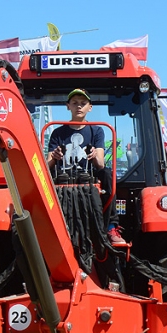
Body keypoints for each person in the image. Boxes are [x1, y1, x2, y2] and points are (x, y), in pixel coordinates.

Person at [46, 88, 125, 246]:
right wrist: (54, 156)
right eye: (75, 103)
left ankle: (110, 227)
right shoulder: (57, 133)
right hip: (64, 176)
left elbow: (100, 164)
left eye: (83, 103)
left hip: (89, 176)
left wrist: (94, 155)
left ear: (90, 107)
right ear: (68, 106)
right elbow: (47, 164)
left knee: (107, 174)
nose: (79, 106)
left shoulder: (97, 130)